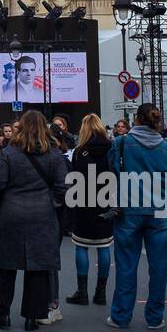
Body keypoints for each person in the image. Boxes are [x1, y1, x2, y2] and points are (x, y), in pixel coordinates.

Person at [0, 111, 67, 331]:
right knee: (38, 267)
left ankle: (4, 314)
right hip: (42, 214)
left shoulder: (10, 154)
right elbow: (62, 186)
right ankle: (32, 317)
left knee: (6, 266)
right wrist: (52, 202)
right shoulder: (54, 155)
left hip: (12, 214)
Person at [106, 103, 167, 330]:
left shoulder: (121, 143)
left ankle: (121, 315)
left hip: (129, 208)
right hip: (159, 209)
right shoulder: (165, 147)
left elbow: (113, 170)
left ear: (136, 119)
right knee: (159, 266)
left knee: (126, 264)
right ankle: (155, 316)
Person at [66, 114, 113, 305]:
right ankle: (101, 293)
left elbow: (74, 177)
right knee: (104, 246)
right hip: (106, 200)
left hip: (84, 201)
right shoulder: (111, 148)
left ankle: (82, 291)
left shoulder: (79, 151)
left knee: (82, 245)